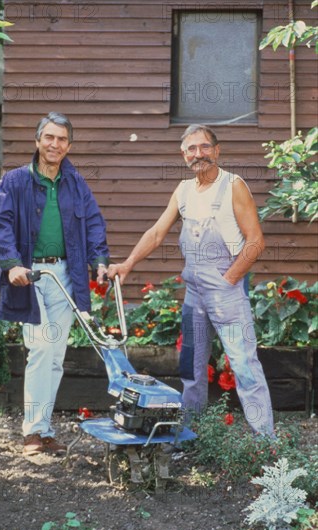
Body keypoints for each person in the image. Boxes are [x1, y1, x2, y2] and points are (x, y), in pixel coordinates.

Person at [108, 124, 274, 437]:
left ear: (217, 150)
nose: (198, 154)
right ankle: (189, 436)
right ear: (183, 155)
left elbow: (255, 241)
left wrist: (229, 279)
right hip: (194, 293)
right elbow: (157, 233)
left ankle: (266, 444)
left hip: (226, 292)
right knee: (192, 369)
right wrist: (127, 263)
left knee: (244, 366)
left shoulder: (233, 186)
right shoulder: (184, 191)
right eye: (191, 149)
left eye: (204, 147)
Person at [0, 112, 109, 455]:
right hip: (30, 277)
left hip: (64, 278)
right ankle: (32, 432)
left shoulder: (75, 183)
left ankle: (43, 428)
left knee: (55, 355)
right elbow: (1, 226)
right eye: (49, 137)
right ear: (37, 140)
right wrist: (11, 264)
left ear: (68, 146)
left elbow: (94, 226)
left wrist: (99, 261)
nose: (54, 144)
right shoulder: (13, 182)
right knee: (41, 349)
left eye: (61, 139)